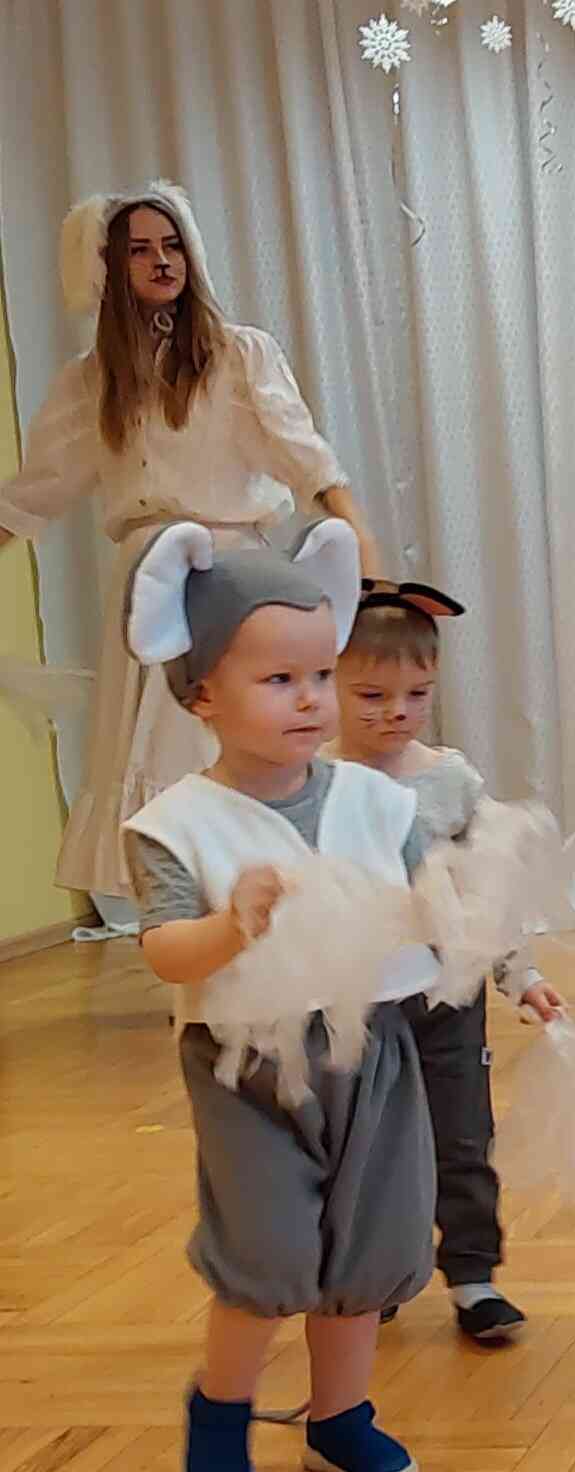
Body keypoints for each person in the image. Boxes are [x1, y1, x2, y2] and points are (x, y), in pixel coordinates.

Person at [119, 519, 429, 1472]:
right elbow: (164, 950)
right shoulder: (175, 824)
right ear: (201, 693)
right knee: (268, 1253)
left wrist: (512, 966)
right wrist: (230, 927)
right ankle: (222, 1408)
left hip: (372, 1051)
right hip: (243, 1066)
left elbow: (429, 906)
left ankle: (340, 1415)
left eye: (321, 675)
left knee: (365, 1247)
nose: (310, 699)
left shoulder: (376, 801)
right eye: (278, 679)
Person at [0, 181, 377, 921]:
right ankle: (194, 928)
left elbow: (302, 451)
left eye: (172, 245)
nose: (161, 261)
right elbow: (38, 488)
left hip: (235, 577)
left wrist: (357, 531)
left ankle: (277, 912)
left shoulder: (240, 354)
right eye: (140, 250)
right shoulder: (92, 381)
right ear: (111, 267)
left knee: (240, 731)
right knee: (164, 751)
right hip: (150, 580)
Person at [329, 580, 565, 1344]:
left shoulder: (450, 779)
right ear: (327, 682)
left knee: (460, 1137)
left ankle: (473, 1276)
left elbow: (489, 890)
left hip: (444, 997)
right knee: (363, 1146)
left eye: (416, 694)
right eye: (371, 695)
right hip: (353, 1001)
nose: (395, 712)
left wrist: (522, 975)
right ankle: (379, 1273)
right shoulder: (313, 780)